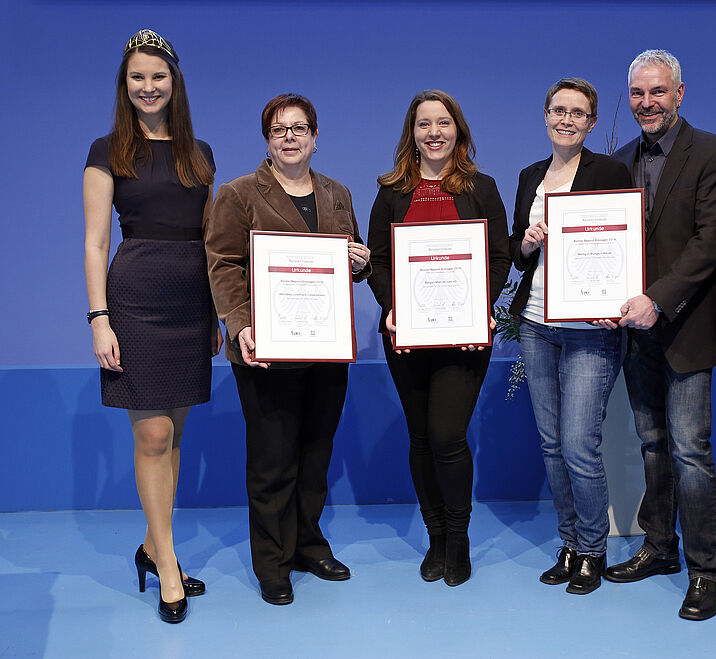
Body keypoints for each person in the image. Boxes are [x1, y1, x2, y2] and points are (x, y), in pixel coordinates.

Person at [205, 93, 371, 606]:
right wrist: (239, 325)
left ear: (316, 138)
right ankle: (273, 561)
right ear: (267, 140)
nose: (291, 137)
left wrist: (359, 262)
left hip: (325, 347)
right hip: (266, 349)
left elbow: (348, 262)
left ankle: (308, 544)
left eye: (300, 128)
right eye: (279, 130)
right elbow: (223, 265)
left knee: (316, 454)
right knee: (273, 460)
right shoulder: (237, 194)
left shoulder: (338, 192)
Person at [83, 29, 219, 624]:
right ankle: (167, 564)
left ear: (174, 82)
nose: (148, 87)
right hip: (135, 298)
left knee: (177, 435)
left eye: (157, 76)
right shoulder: (106, 148)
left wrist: (219, 311)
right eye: (137, 77)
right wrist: (98, 317)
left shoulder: (201, 154)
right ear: (125, 84)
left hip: (192, 300)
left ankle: (151, 545)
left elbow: (215, 243)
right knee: (153, 436)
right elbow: (94, 242)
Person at [602, 49, 716, 620]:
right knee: (652, 444)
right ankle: (660, 549)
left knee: (689, 450)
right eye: (638, 93)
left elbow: (711, 244)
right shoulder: (617, 159)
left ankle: (705, 569)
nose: (647, 103)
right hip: (636, 331)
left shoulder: (714, 153)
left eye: (658, 92)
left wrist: (657, 300)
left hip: (685, 325)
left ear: (680, 93)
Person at [367, 90, 510, 587]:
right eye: (424, 124)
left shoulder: (483, 187)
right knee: (422, 438)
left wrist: (479, 307)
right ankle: (434, 539)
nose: (434, 133)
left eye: (443, 123)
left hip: (464, 336)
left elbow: (498, 257)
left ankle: (459, 538)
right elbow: (379, 260)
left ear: (458, 130)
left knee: (448, 436)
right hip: (405, 335)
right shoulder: (390, 191)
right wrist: (391, 308)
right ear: (412, 133)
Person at [509, 78, 631, 595]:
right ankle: (568, 543)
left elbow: (624, 241)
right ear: (545, 115)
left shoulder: (609, 171)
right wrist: (528, 241)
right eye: (558, 110)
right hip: (536, 324)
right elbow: (517, 255)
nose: (567, 119)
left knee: (581, 445)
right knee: (553, 444)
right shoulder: (530, 176)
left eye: (578, 113)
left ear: (591, 122)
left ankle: (592, 549)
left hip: (589, 330)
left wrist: (617, 299)